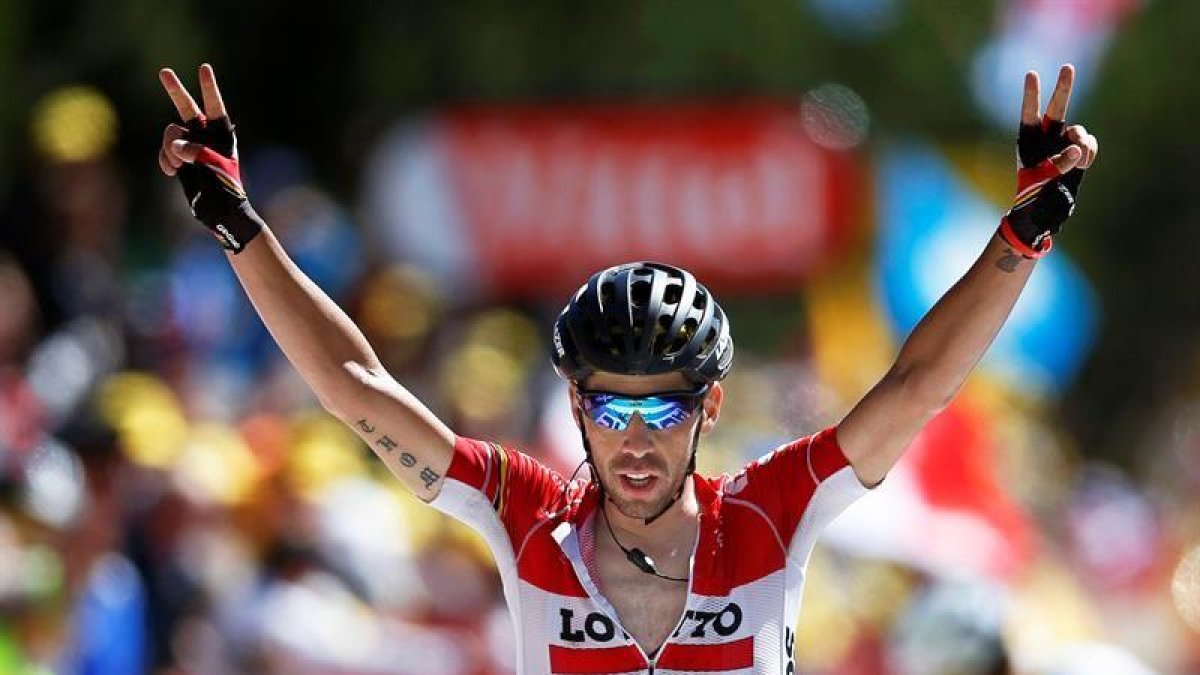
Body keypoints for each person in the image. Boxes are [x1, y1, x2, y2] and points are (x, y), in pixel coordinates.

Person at [156, 63, 1098, 674]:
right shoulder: (526, 515)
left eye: (664, 411)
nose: (636, 441)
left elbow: (916, 385)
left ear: (711, 406)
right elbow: (354, 386)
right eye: (610, 411)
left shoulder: (772, 513)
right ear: (574, 404)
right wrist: (237, 224)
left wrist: (1022, 234)